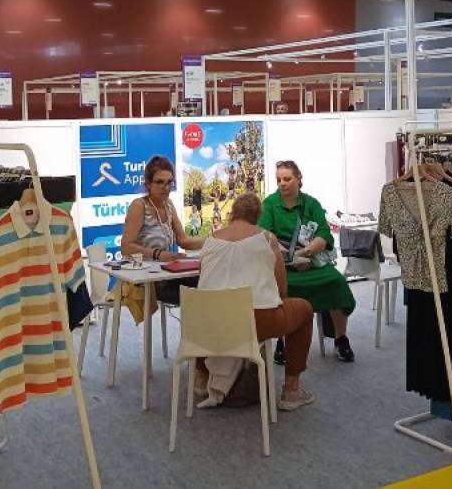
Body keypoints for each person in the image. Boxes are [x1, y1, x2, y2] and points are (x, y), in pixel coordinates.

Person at [196, 193, 315, 410]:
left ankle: (202, 379)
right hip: (256, 321)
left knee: (204, 313)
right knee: (305, 310)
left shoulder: (211, 238)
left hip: (211, 325)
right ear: (257, 217)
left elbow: (202, 276)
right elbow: (282, 289)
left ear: (232, 214)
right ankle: (291, 391)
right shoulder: (267, 238)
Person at [259, 160, 357, 363]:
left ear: (298, 179)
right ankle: (283, 339)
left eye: (287, 178)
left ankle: (341, 339)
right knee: (282, 288)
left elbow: (324, 234)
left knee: (337, 282)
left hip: (313, 263)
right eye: (279, 180)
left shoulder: (311, 204)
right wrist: (289, 258)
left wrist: (305, 253)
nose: (282, 183)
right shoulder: (269, 204)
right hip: (284, 266)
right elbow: (265, 235)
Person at [121, 156, 205, 310]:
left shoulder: (168, 205)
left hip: (165, 273)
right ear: (148, 184)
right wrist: (158, 254)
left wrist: (213, 240)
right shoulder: (139, 205)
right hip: (145, 278)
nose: (166, 188)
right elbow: (126, 247)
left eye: (169, 182)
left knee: (209, 281)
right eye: (159, 182)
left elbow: (183, 241)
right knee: (200, 293)